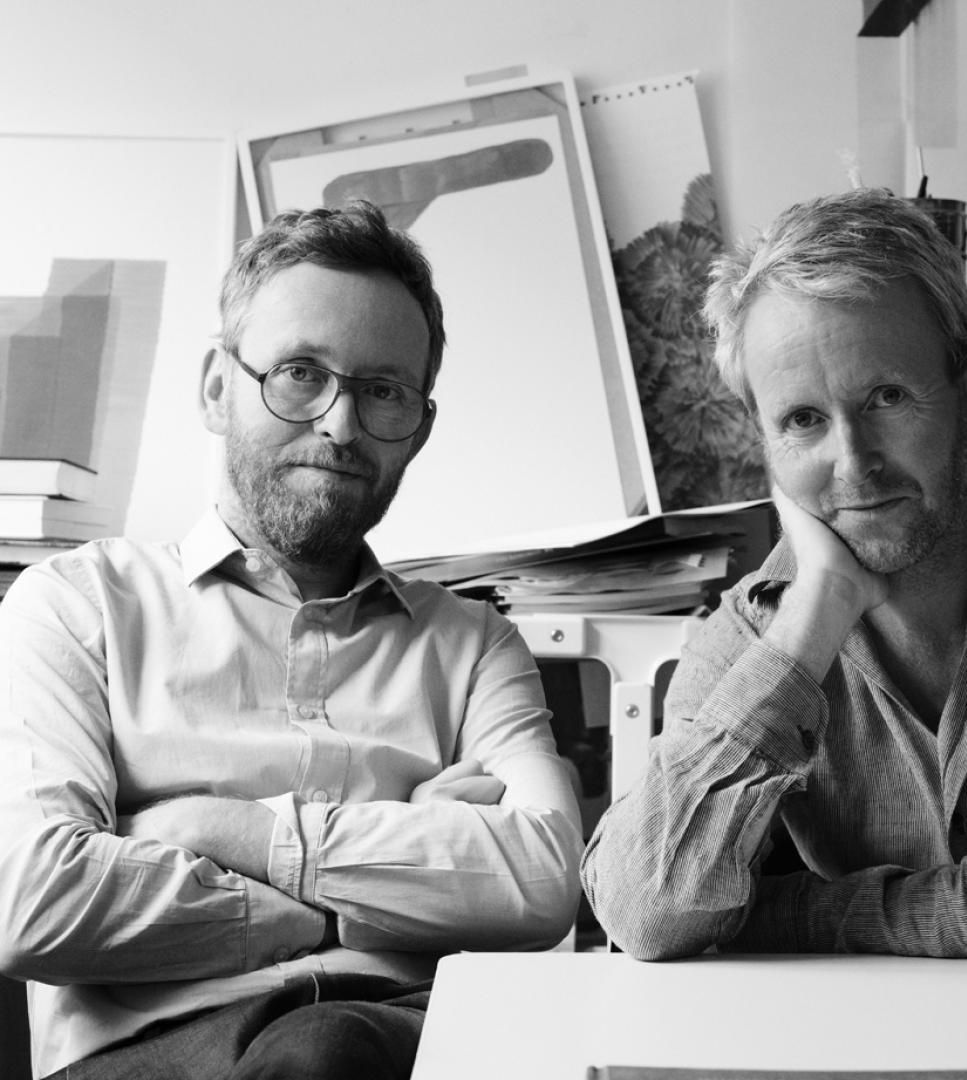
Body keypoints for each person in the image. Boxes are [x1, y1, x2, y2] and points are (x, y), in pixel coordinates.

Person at [0, 201, 582, 1079]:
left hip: (409, 1036)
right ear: (217, 387)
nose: (341, 425)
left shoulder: (476, 644)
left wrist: (222, 831)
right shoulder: (75, 607)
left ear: (420, 427)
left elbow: (543, 880)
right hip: (156, 1053)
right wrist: (366, 890)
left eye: (383, 390)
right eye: (301, 373)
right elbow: (34, 903)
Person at [581, 186, 967, 962]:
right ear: (764, 439)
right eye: (803, 420)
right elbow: (643, 913)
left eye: (887, 397)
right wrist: (816, 613)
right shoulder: (753, 629)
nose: (854, 464)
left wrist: (771, 916)